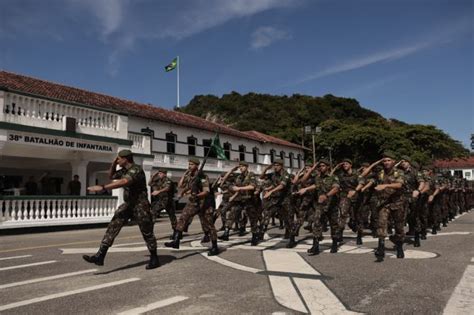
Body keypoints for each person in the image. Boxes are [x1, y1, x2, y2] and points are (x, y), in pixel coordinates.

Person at [83, 149, 159, 270]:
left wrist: (103, 187)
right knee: (113, 225)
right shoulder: (124, 170)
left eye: (119, 158)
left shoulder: (136, 169)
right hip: (128, 204)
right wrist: (113, 163)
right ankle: (100, 255)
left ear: (126, 159)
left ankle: (154, 258)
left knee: (147, 232)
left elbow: (124, 181)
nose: (117, 160)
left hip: (140, 205)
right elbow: (111, 176)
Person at [165, 158, 219, 256]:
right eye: (189, 164)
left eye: (192, 164)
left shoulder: (202, 176)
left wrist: (197, 196)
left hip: (205, 203)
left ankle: (215, 247)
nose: (189, 166)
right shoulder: (190, 175)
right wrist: (185, 174)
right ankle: (176, 240)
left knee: (209, 225)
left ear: (197, 166)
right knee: (183, 217)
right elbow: (181, 185)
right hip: (194, 202)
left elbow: (206, 191)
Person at [298, 159, 340, 255]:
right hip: (320, 205)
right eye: (320, 166)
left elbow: (336, 188)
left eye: (323, 166)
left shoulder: (333, 177)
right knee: (317, 222)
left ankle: (334, 244)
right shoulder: (317, 177)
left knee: (334, 224)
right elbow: (304, 181)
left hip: (332, 205)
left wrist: (326, 196)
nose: (321, 167)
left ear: (328, 167)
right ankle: (315, 246)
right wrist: (306, 188)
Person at [373, 152, 406, 262]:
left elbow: (399, 185)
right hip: (384, 203)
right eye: (384, 161)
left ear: (393, 162)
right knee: (381, 224)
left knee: (399, 226)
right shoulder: (380, 173)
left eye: (388, 160)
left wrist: (386, 185)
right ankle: (381, 248)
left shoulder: (399, 172)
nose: (386, 162)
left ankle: (400, 247)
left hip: (397, 203)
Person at [149, 168, 177, 237]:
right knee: (153, 212)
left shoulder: (168, 180)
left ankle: (176, 233)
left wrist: (158, 191)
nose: (159, 175)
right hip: (161, 200)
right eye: (159, 173)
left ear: (165, 174)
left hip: (168, 201)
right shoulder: (158, 180)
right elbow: (150, 183)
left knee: (172, 217)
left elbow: (167, 188)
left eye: (161, 173)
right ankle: (150, 232)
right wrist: (153, 176)